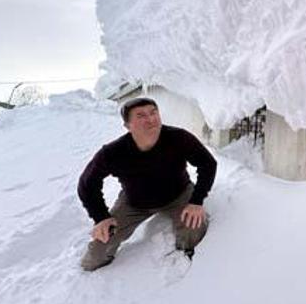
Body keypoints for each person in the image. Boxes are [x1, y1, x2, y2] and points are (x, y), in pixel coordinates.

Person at [77, 97, 217, 271]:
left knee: (193, 230)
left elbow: (208, 164)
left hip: (178, 195)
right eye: (141, 115)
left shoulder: (178, 138)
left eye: (153, 112)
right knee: (97, 253)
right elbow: (87, 183)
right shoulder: (113, 152)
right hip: (134, 203)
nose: (150, 119)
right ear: (127, 125)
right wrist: (101, 218)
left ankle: (186, 265)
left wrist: (196, 201)